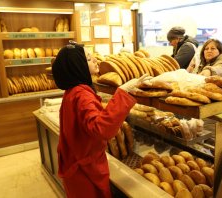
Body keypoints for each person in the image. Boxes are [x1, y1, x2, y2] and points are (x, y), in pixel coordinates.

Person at [52, 41, 150, 197]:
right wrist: (124, 91)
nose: (96, 60)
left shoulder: (73, 90)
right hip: (85, 171)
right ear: (78, 66)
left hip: (76, 164)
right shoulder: (82, 95)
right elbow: (101, 129)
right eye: (90, 59)